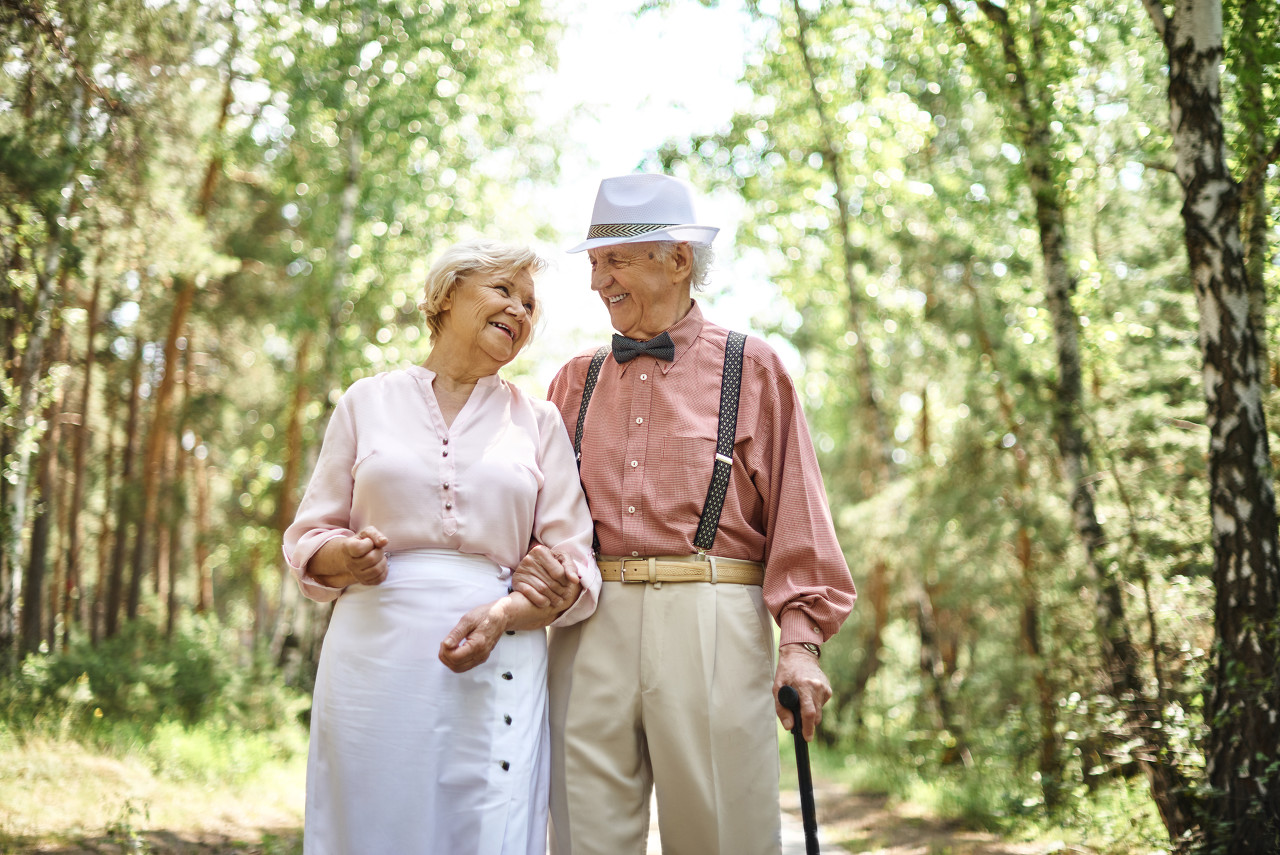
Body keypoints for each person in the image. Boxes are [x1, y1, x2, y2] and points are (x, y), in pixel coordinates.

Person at [513, 173, 858, 855]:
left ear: (675, 259)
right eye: (593, 264)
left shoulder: (752, 367)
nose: (596, 282)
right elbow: (537, 516)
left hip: (713, 619)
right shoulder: (571, 380)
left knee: (723, 836)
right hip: (588, 625)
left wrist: (802, 644)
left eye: (612, 261)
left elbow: (800, 518)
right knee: (581, 835)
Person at [282, 238, 600, 855]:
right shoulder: (365, 401)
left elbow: (575, 559)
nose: (520, 312)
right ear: (448, 295)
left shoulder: (539, 422)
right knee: (373, 823)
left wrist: (509, 611)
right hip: (372, 653)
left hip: (497, 642)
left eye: (531, 306)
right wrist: (344, 557)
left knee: (484, 825)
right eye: (503, 291)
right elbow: (308, 538)